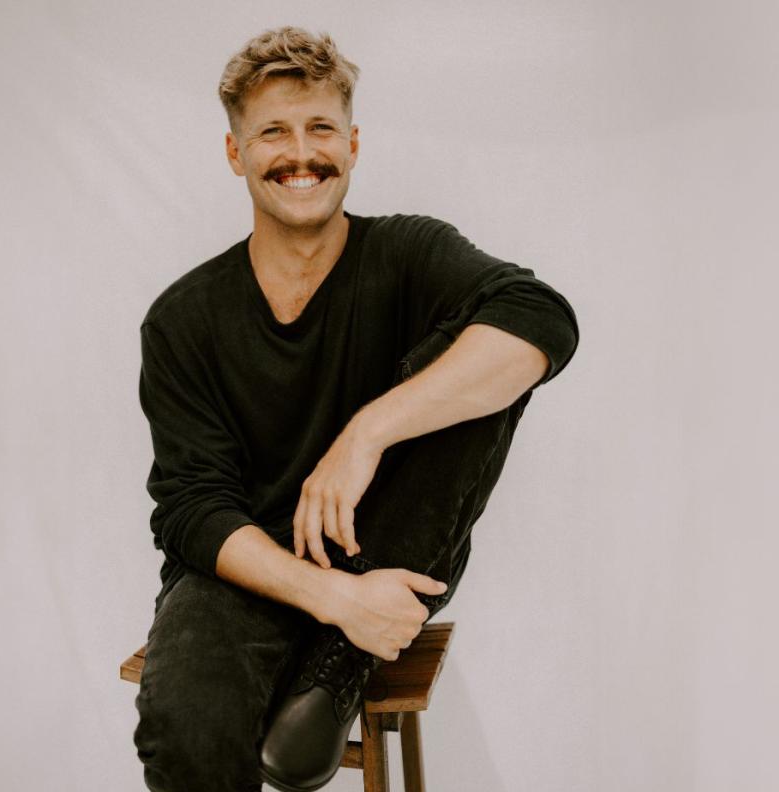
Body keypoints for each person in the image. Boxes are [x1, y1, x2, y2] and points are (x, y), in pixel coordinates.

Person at [132, 26, 579, 792]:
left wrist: (365, 432)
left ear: (354, 143)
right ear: (236, 153)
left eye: (320, 129)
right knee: (184, 727)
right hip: (243, 576)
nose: (299, 154)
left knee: (482, 350)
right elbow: (192, 509)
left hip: (385, 546)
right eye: (272, 131)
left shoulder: (409, 253)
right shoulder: (182, 319)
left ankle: (335, 669)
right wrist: (333, 598)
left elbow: (544, 321)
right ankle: (337, 640)